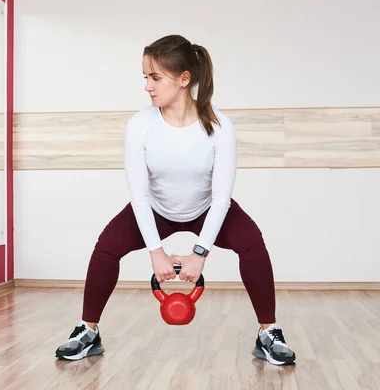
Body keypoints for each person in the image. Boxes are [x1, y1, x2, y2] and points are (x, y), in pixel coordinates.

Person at [55, 34, 296, 366]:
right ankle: (88, 331)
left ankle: (268, 332)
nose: (147, 86)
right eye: (145, 77)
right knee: (106, 246)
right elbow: (139, 194)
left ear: (185, 79)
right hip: (156, 209)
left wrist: (199, 253)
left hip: (206, 209)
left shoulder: (220, 127)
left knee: (252, 243)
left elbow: (221, 198)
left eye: (155, 77)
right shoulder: (140, 125)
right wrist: (157, 253)